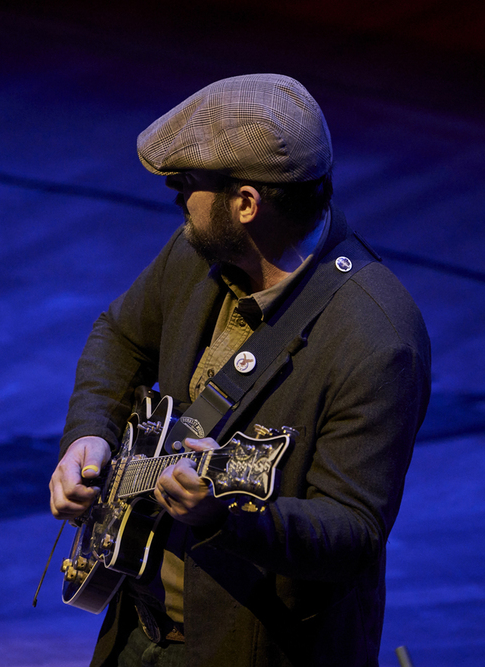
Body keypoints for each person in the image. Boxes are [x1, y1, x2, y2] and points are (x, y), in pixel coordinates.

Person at [49, 73, 431, 667]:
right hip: (136, 627)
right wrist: (89, 434)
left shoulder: (378, 339)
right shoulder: (196, 255)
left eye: (188, 188)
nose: (181, 204)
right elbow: (120, 335)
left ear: (246, 203)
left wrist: (225, 515)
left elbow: (351, 533)